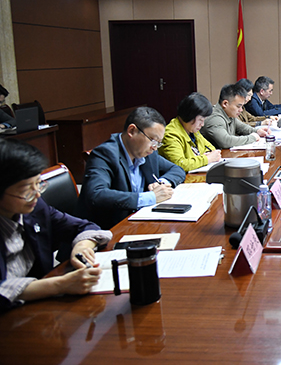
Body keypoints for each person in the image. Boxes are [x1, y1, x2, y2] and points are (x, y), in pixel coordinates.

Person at [0, 140, 112, 312]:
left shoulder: (35, 208)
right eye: (25, 190)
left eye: (38, 183)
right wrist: (59, 285)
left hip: (37, 308)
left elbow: (85, 227)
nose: (37, 194)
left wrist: (82, 248)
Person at [77, 106, 186, 229]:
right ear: (132, 131)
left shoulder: (148, 153)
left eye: (158, 143)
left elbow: (177, 170)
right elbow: (96, 194)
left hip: (139, 222)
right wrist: (150, 197)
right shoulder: (105, 154)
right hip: (107, 230)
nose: (155, 147)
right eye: (152, 140)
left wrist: (161, 184)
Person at [159, 92, 222, 172]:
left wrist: (199, 159)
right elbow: (180, 164)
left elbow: (211, 149)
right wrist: (206, 159)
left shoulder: (192, 129)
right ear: (190, 116)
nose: (202, 124)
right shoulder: (171, 135)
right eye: (200, 120)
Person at [202, 83, 269, 148]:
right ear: (225, 104)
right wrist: (252, 138)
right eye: (238, 106)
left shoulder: (229, 114)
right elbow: (226, 141)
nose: (241, 110)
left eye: (242, 106)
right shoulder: (215, 119)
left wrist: (257, 131)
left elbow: (242, 127)